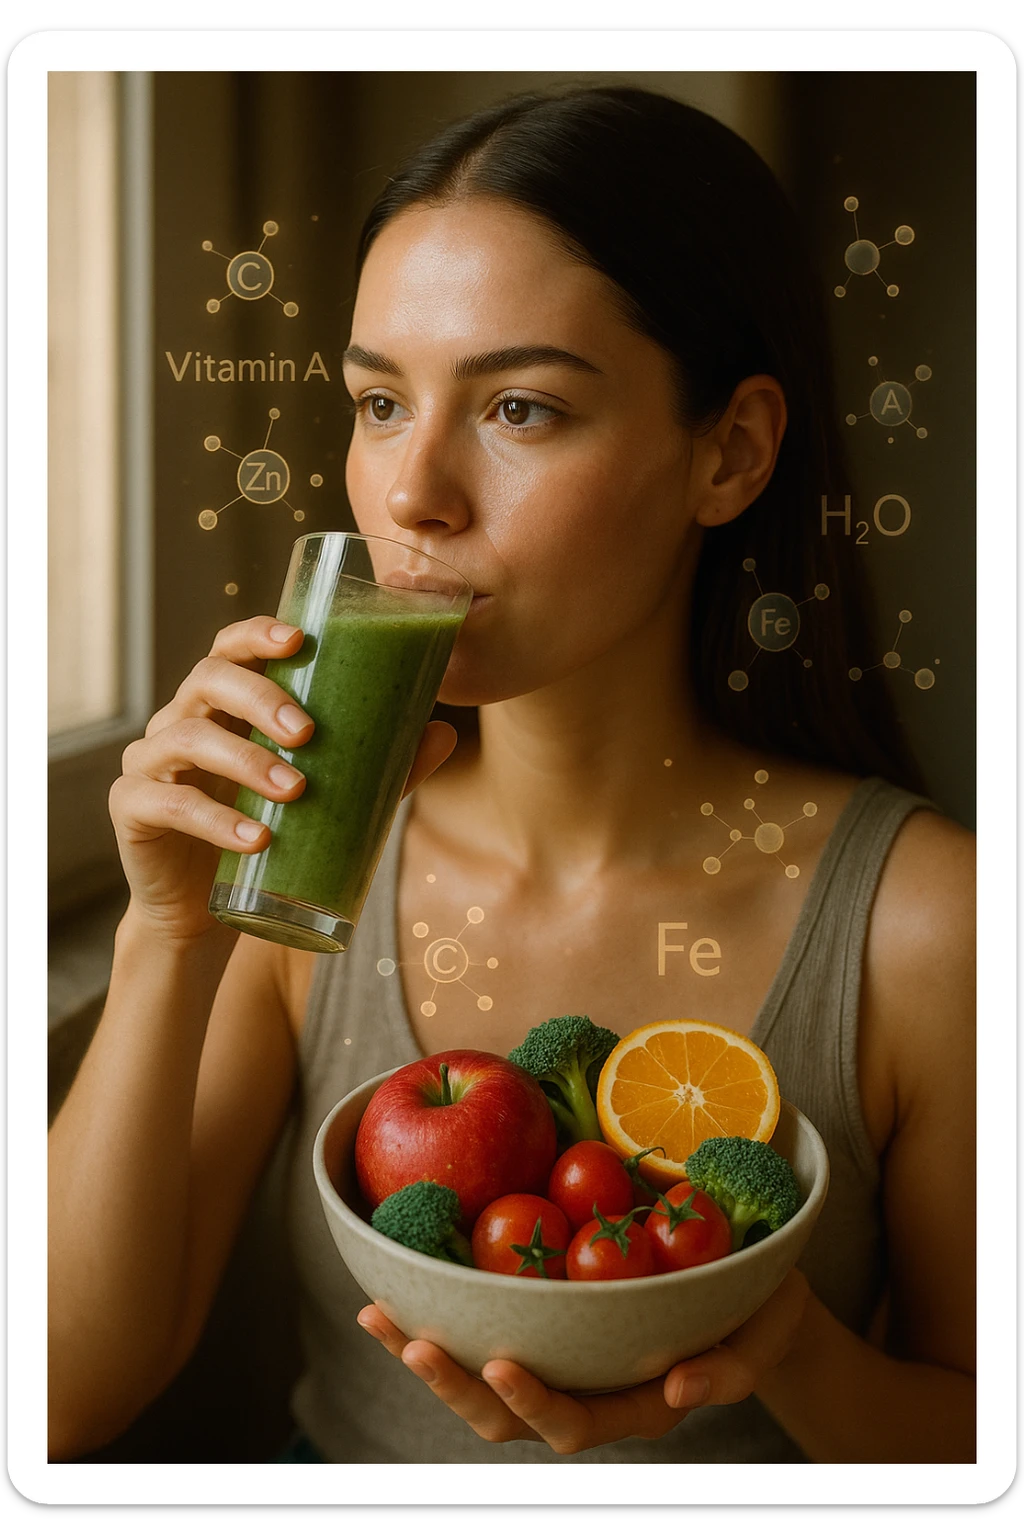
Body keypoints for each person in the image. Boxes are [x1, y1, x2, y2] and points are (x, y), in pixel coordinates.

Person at [48, 85, 975, 1466]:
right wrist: (169, 931)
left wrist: (779, 1347)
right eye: (379, 402)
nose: (411, 491)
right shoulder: (304, 863)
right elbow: (57, 1401)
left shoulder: (932, 926)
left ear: (729, 452)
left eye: (520, 408)